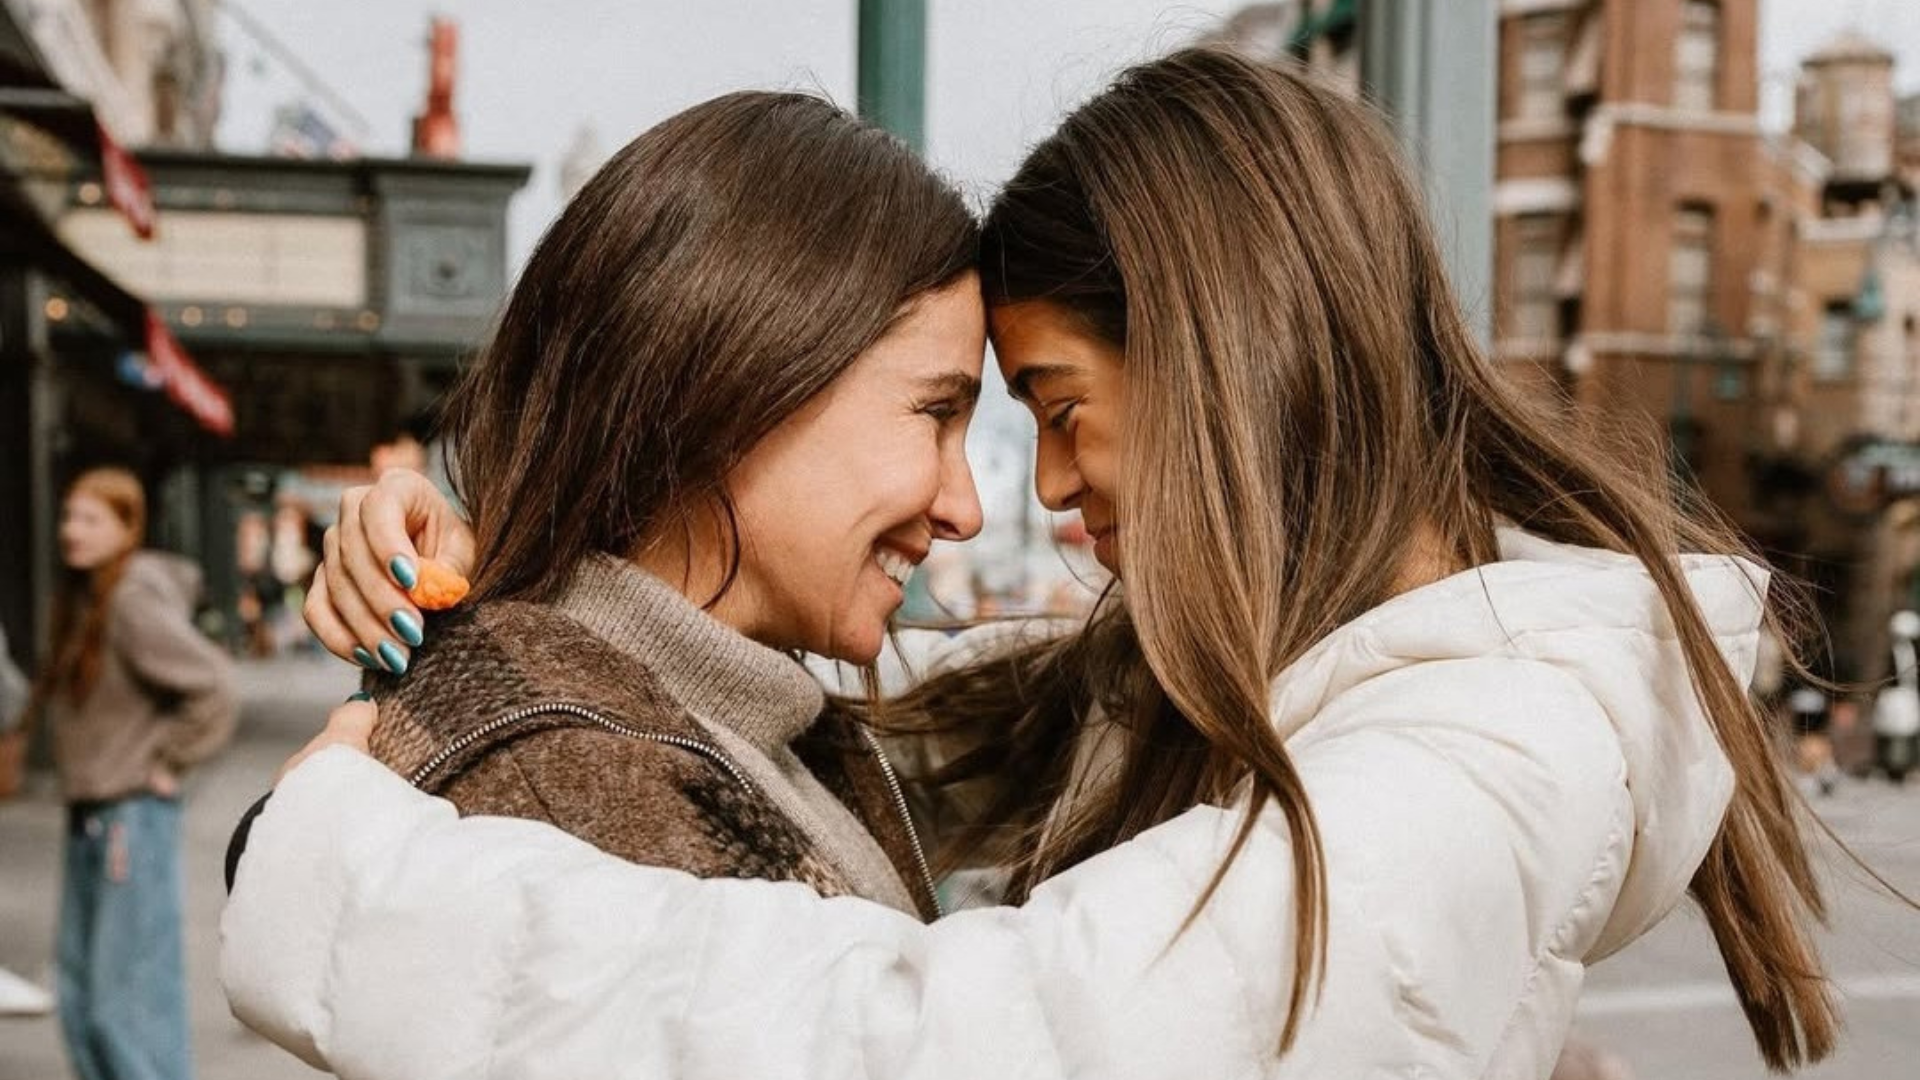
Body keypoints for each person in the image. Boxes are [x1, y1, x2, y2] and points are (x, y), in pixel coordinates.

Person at [224, 51, 1845, 1078]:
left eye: (1047, 412)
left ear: (1228, 366)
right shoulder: (1392, 685)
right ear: (729, 386)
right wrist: (491, 566)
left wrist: (328, 869)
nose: (1024, 491)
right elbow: (934, 699)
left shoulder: (1469, 760)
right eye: (953, 417)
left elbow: (976, 1046)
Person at [37, 467, 237, 1080]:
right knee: (77, 997)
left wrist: (167, 762)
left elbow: (214, 685)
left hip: (129, 818)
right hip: (92, 816)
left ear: (129, 527)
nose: (72, 530)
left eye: (90, 519)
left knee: (121, 1005)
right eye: (69, 515)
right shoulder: (90, 596)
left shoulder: (129, 599)